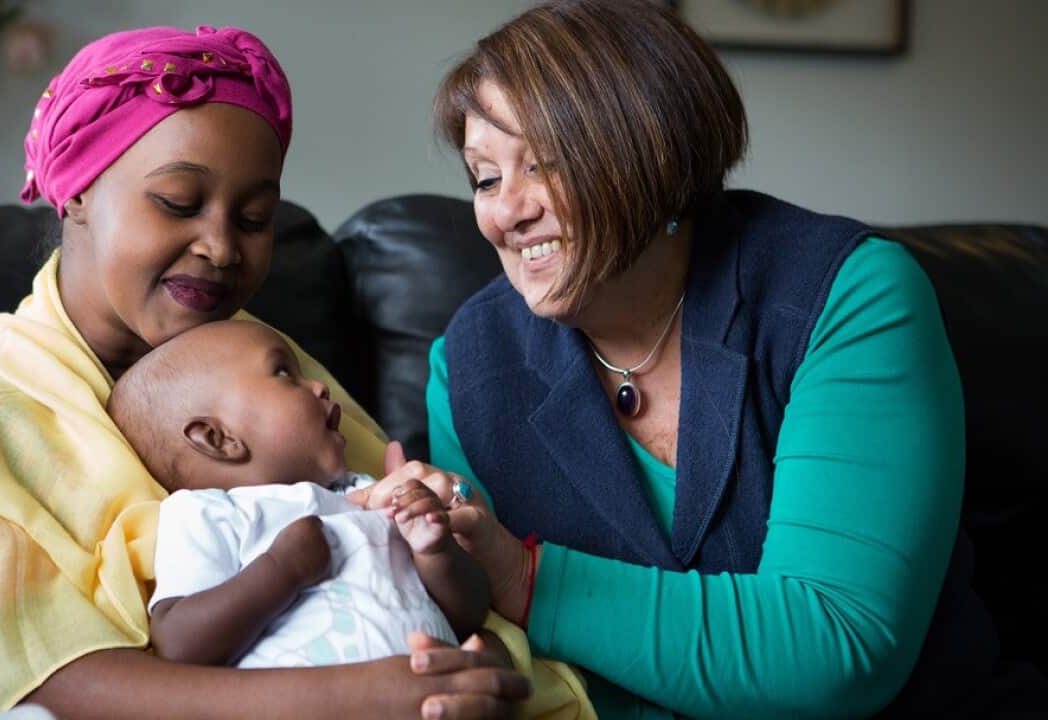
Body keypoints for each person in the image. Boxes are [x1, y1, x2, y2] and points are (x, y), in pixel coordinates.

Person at [364, 0, 1048, 717]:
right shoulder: (471, 364)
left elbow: (839, 646)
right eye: (485, 177)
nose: (507, 213)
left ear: (653, 153)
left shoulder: (851, 296)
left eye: (544, 163)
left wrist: (528, 578)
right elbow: (492, 633)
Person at [0, 25, 539, 720]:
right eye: (178, 201)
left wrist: (465, 675)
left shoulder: (286, 373)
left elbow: (445, 603)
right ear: (77, 190)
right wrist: (358, 698)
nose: (221, 246)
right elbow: (25, 685)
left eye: (257, 218)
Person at [107, 320, 488, 667]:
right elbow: (178, 644)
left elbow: (468, 615)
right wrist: (281, 570)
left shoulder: (365, 493)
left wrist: (435, 551)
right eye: (284, 373)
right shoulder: (207, 513)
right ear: (218, 438)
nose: (319, 386)